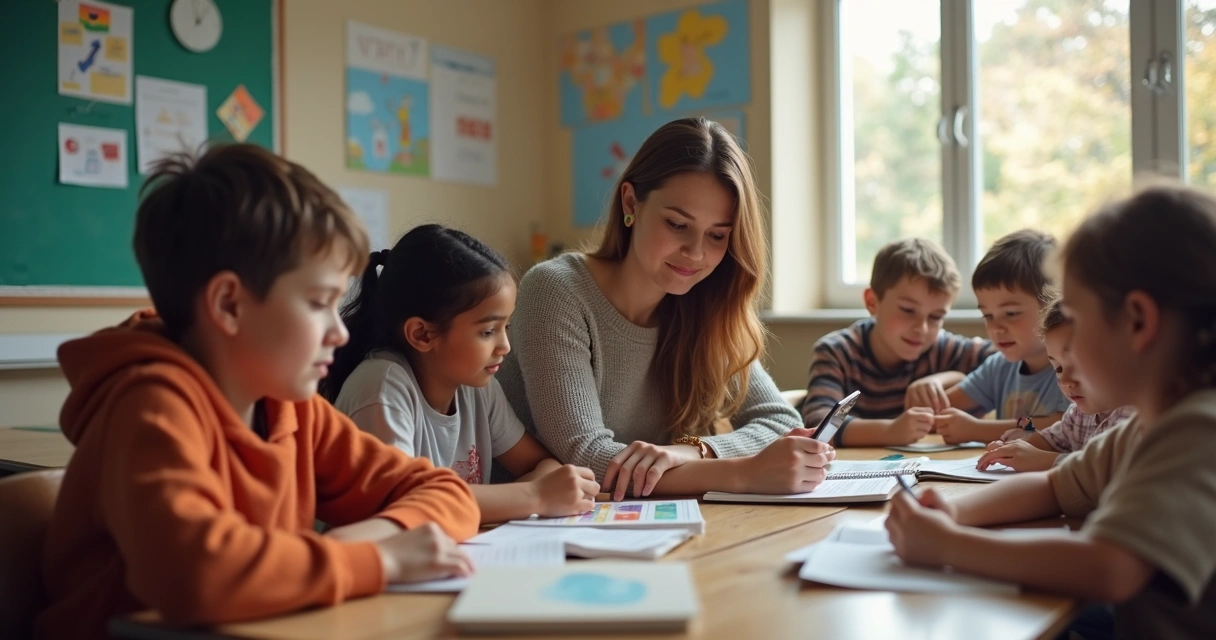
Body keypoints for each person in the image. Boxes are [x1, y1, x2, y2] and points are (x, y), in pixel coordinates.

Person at [36, 145, 480, 639]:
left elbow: (447, 493)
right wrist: (376, 559)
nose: (339, 332)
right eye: (319, 303)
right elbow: (198, 577)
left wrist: (374, 541)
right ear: (229, 304)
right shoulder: (150, 408)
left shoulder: (291, 407)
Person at [886, 184, 1216, 639]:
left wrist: (948, 545)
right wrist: (952, 512)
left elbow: (1109, 568)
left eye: (1074, 319)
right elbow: (1054, 486)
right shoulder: (1147, 426)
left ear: (1138, 322)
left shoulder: (1199, 429)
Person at [498, 117, 834, 501]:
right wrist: (742, 473)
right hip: (520, 521)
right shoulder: (555, 289)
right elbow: (585, 457)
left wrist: (693, 450)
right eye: (677, 224)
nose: (696, 253)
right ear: (631, 203)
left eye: (717, 235)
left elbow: (781, 420)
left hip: (629, 515)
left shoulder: (705, 304)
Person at [324, 225, 599, 524]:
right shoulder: (381, 386)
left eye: (506, 327)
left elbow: (543, 465)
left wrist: (536, 490)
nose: (505, 346)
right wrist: (534, 496)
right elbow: (407, 503)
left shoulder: (477, 386)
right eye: (487, 331)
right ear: (422, 334)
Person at [801, 238, 994, 446]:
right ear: (872, 302)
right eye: (908, 310)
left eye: (936, 317)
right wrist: (891, 431)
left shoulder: (942, 348)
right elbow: (818, 425)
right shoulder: (837, 352)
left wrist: (945, 379)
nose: (922, 328)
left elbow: (1005, 360)